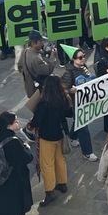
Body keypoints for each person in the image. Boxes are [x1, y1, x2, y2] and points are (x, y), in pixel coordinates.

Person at [29, 75, 72, 207]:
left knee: (47, 164)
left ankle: (50, 191)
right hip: (60, 135)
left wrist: (31, 124)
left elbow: (37, 121)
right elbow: (69, 113)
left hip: (46, 137)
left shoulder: (43, 103)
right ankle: (62, 183)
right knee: (60, 159)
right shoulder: (63, 99)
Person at [61, 45, 98, 161]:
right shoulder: (68, 73)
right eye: (80, 57)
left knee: (78, 121)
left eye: (84, 56)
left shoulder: (83, 67)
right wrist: (69, 91)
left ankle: (72, 136)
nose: (83, 59)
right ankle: (87, 152)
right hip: (76, 104)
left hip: (85, 101)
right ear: (73, 60)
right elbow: (63, 89)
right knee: (83, 126)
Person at [17, 30, 57, 98]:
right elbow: (49, 70)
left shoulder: (25, 51)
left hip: (29, 86)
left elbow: (20, 66)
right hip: (38, 91)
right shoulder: (36, 59)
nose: (42, 43)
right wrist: (53, 57)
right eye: (40, 41)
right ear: (34, 43)